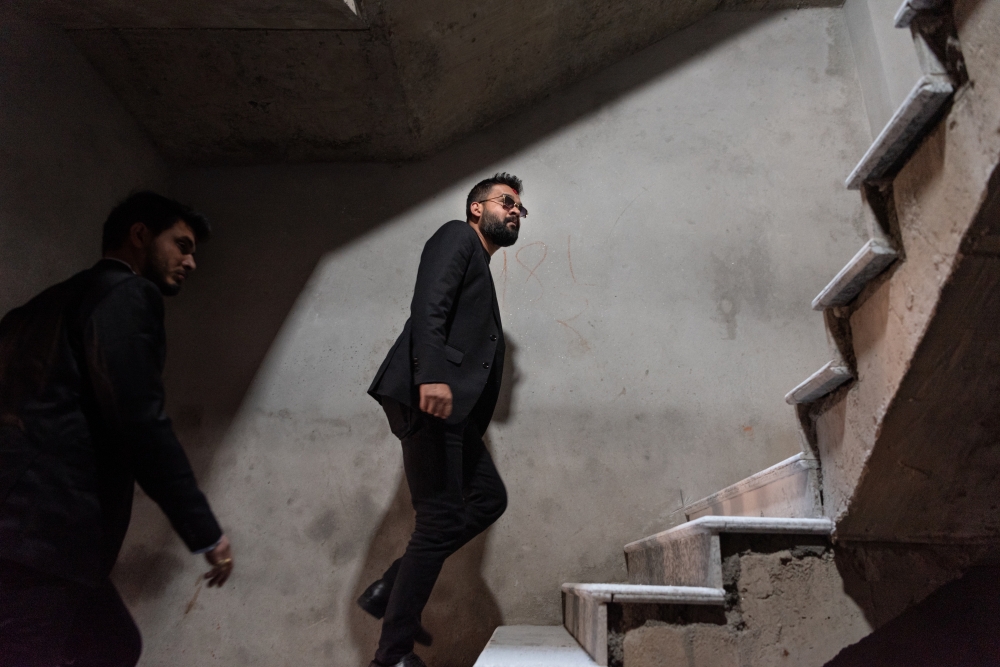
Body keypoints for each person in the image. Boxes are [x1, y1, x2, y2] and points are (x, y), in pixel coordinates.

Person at [0, 192, 234, 667]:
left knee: (113, 644)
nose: (190, 262)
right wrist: (206, 533)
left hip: (29, 530)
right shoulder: (127, 293)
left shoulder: (43, 304)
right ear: (140, 235)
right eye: (182, 245)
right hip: (44, 534)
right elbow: (139, 421)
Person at [361, 173, 528, 667]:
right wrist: (430, 375)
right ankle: (391, 655)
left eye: (522, 207)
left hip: (450, 409)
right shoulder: (456, 236)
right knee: (437, 522)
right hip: (430, 395)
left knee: (486, 498)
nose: (516, 211)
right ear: (477, 209)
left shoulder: (480, 261)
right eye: (507, 202)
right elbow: (428, 304)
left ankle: (389, 589)